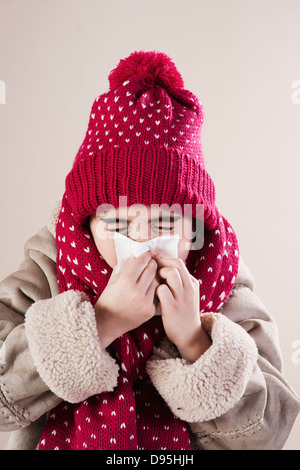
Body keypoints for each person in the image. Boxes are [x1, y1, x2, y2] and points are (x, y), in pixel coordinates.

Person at [0, 50, 299, 450]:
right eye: (118, 224)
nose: (140, 239)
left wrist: (195, 340)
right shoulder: (51, 265)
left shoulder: (222, 279)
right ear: (86, 223)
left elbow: (270, 432)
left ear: (195, 227)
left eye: (164, 223)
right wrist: (101, 321)